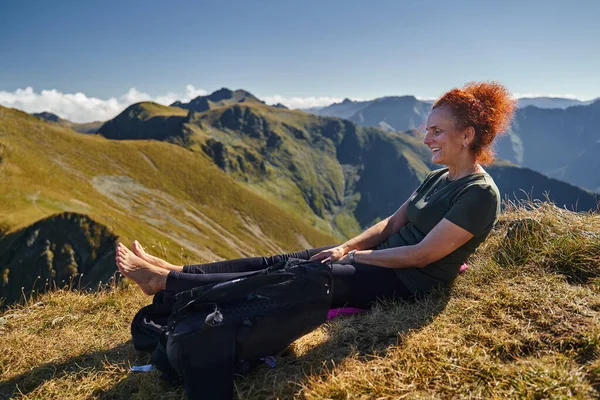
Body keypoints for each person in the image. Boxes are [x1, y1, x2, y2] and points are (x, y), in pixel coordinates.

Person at [115, 81, 517, 309]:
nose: (425, 138)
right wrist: (345, 247)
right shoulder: (440, 177)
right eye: (427, 128)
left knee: (293, 277)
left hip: (406, 282)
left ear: (467, 135)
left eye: (436, 131)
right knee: (285, 260)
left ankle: (164, 283)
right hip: (377, 262)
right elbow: (393, 224)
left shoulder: (479, 194)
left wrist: (355, 257)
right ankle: (175, 272)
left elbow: (421, 255)